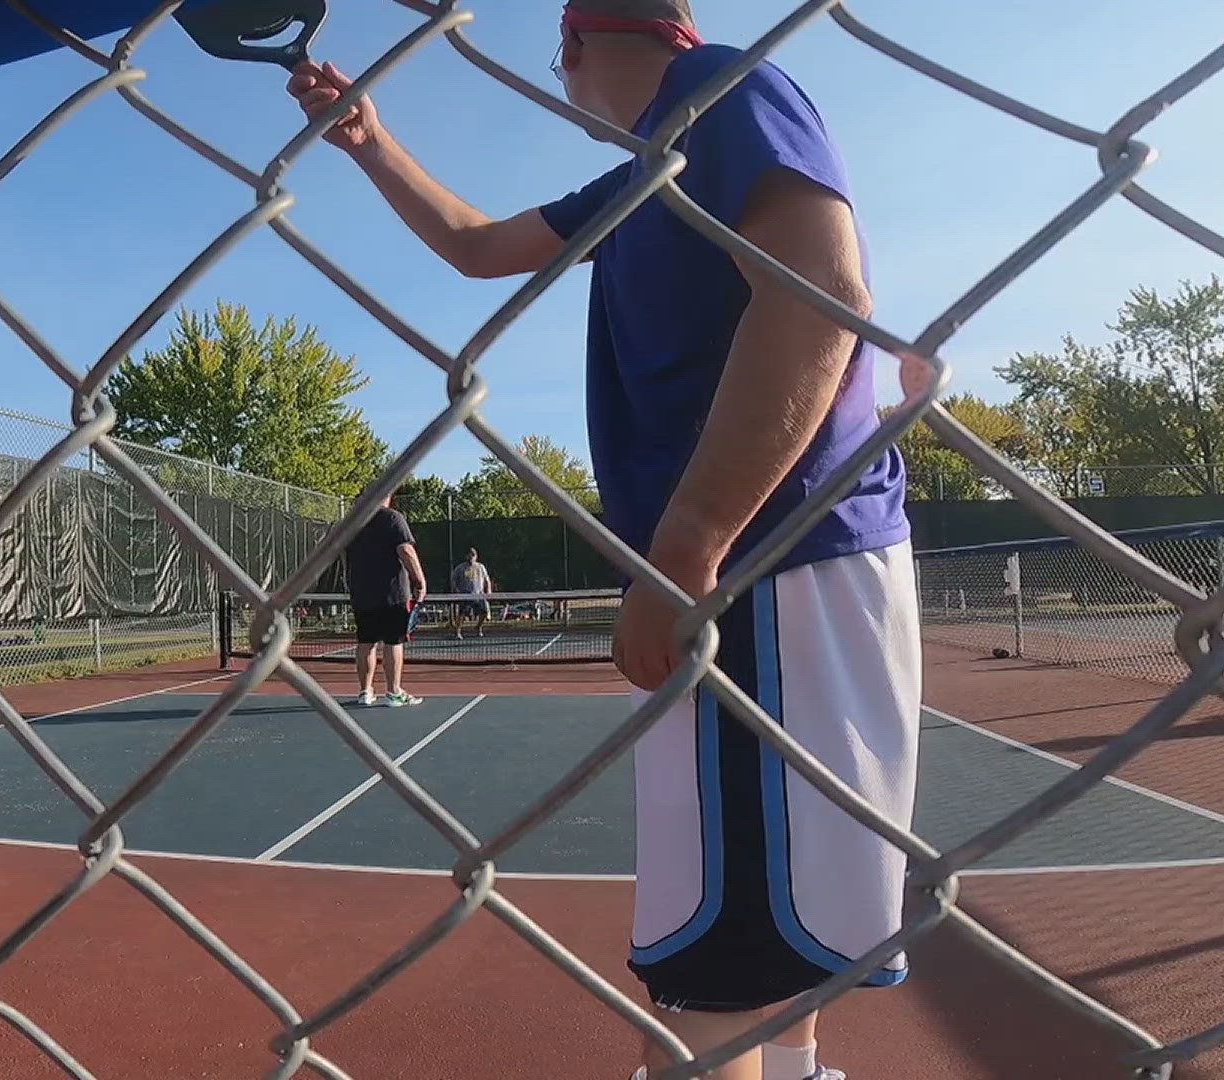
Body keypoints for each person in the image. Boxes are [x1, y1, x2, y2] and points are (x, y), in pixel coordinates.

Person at [288, 4, 920, 1079]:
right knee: (770, 951)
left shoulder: (719, 87)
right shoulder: (645, 168)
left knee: (712, 980)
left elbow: (818, 299)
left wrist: (683, 553)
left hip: (759, 563)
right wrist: (370, 141)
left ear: (575, 49)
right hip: (760, 568)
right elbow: (478, 246)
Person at [343, 494, 429, 707]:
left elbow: (344, 556)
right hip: (392, 595)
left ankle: (365, 692)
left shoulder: (351, 523)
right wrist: (419, 581)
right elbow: (406, 550)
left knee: (365, 642)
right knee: (393, 642)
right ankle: (394, 692)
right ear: (386, 496)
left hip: (362, 595)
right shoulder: (392, 518)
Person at [450, 548, 493, 639]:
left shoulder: (481, 567)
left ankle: (478, 627)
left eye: (473, 555)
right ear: (466, 556)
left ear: (476, 557)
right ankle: (458, 632)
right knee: (462, 614)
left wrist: (488, 591)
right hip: (465, 595)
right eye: (469, 555)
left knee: (484, 612)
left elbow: (487, 579)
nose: (471, 557)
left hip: (479, 595)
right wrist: (457, 590)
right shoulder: (460, 568)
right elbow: (453, 580)